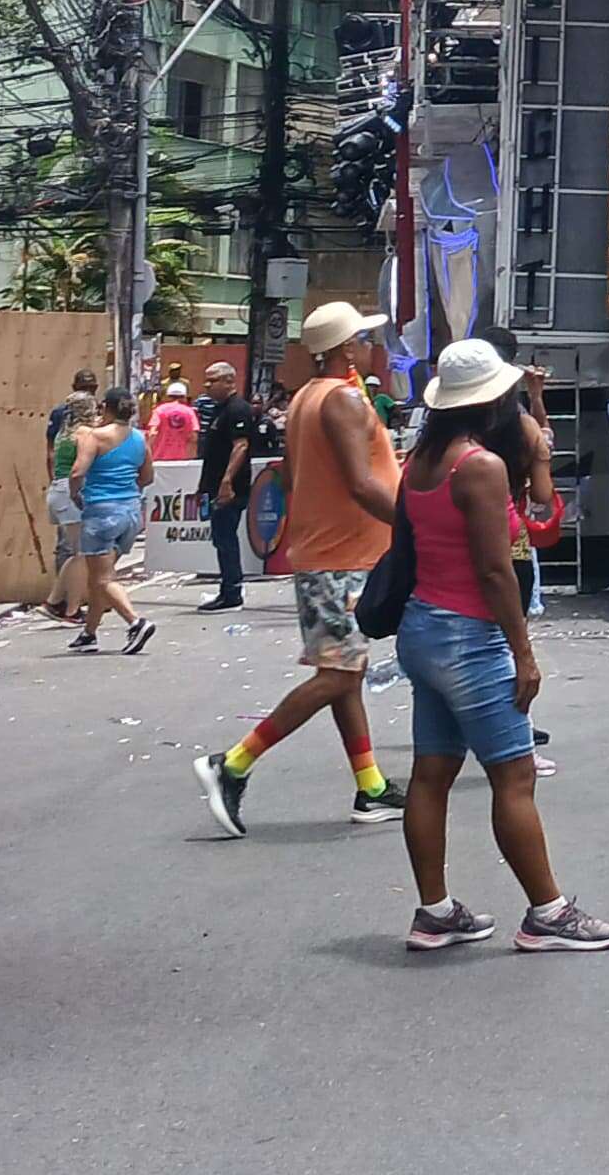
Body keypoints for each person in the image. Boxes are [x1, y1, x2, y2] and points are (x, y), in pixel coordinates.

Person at [388, 349, 609, 952]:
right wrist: (524, 652)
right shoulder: (481, 467)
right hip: (470, 635)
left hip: (423, 626)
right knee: (514, 777)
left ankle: (434, 910)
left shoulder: (421, 463)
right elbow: (495, 571)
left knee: (431, 774)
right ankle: (548, 912)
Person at [193, 304, 410, 835]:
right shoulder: (341, 401)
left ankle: (371, 785)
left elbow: (292, 477)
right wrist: (412, 524)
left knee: (345, 675)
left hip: (330, 552)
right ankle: (234, 762)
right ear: (345, 349)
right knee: (338, 674)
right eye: (362, 339)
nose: (368, 346)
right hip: (344, 558)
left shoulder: (307, 399)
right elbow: (362, 484)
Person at [63, 394, 157, 655]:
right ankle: (89, 633)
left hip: (101, 513)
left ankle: (136, 622)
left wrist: (74, 495)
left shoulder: (95, 437)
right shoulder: (140, 438)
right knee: (97, 579)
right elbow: (148, 476)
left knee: (104, 579)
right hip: (131, 513)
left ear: (105, 408)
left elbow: (77, 472)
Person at [194, 365, 274, 615]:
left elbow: (240, 447)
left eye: (212, 380)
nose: (207, 386)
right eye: (206, 381)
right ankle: (228, 588)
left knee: (226, 538)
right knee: (221, 538)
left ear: (229, 381)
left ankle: (232, 592)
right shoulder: (220, 410)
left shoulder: (237, 409)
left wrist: (227, 481)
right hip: (215, 484)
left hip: (230, 488)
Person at [41, 368, 97, 621]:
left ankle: (57, 602)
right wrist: (77, 494)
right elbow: (78, 470)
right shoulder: (84, 434)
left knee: (77, 552)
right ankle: (68, 608)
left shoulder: (65, 432)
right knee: (81, 553)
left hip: (58, 489)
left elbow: (52, 457)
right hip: (70, 491)